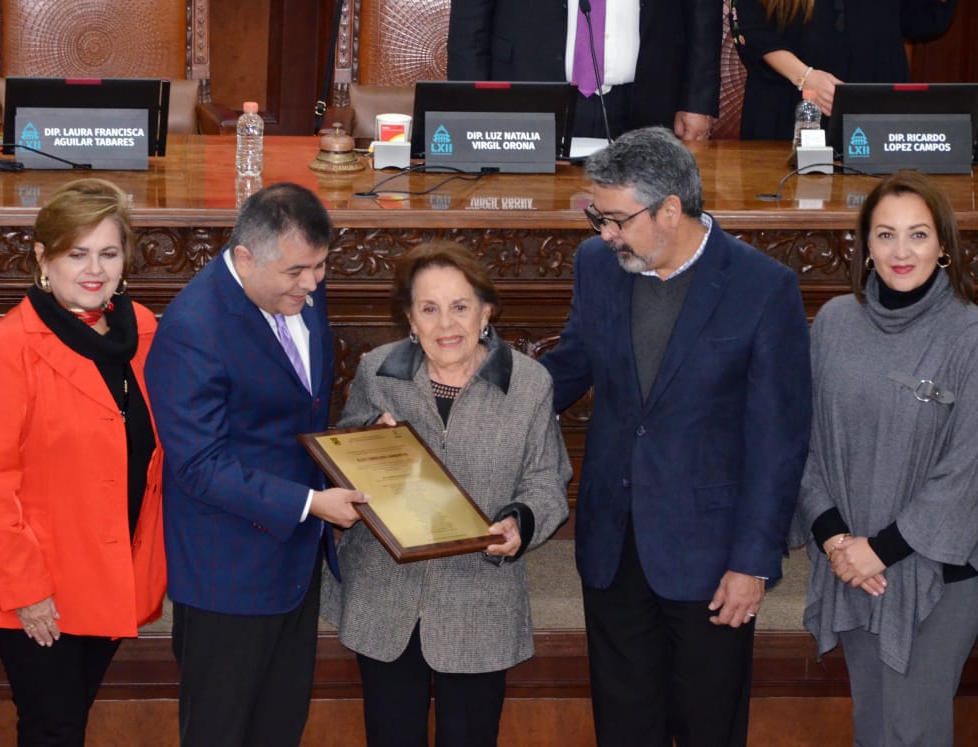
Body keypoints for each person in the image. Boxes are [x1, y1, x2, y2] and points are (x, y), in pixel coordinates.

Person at [538, 126, 812, 746]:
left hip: (711, 556)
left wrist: (753, 562)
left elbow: (779, 440)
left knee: (707, 728)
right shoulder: (598, 266)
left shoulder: (762, 288)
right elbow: (571, 367)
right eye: (597, 219)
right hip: (613, 542)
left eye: (615, 219)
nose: (605, 235)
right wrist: (467, 396)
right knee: (624, 726)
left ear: (669, 209)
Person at [321, 240, 571, 747]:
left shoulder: (529, 384)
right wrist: (370, 440)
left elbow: (547, 481)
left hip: (478, 596)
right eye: (428, 309)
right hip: (385, 596)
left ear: (486, 311)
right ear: (409, 319)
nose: (445, 325)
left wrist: (519, 524)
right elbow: (342, 461)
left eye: (460, 307)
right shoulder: (378, 370)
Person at [146, 182, 367, 747]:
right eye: (297, 271)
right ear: (245, 257)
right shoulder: (191, 329)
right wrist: (311, 504)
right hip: (229, 574)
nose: (312, 284)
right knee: (221, 732)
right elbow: (199, 465)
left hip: (295, 563)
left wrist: (361, 446)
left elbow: (296, 419)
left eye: (320, 267)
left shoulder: (298, 293)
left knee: (278, 727)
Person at [0, 178, 167, 746]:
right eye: (77, 253)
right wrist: (27, 592)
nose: (93, 269)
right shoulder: (5, 349)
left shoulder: (143, 332)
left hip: (109, 573)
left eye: (108, 252)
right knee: (53, 727)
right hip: (35, 583)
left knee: (68, 720)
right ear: (42, 259)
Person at [791, 170, 978, 746]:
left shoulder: (969, 334)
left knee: (914, 730)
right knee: (872, 725)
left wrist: (882, 549)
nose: (902, 252)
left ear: (944, 245)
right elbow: (805, 441)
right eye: (885, 235)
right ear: (864, 246)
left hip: (938, 573)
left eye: (918, 235)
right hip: (849, 562)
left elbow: (968, 467)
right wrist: (835, 540)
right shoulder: (834, 324)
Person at [446, 0, 723, 140]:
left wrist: (697, 100)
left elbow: (703, 8)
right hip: (527, 95)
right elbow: (469, 23)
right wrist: (471, 105)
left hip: (648, 98)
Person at [732, 0, 957, 140]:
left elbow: (919, 22)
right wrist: (805, 77)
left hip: (874, 106)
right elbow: (750, 25)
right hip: (791, 105)